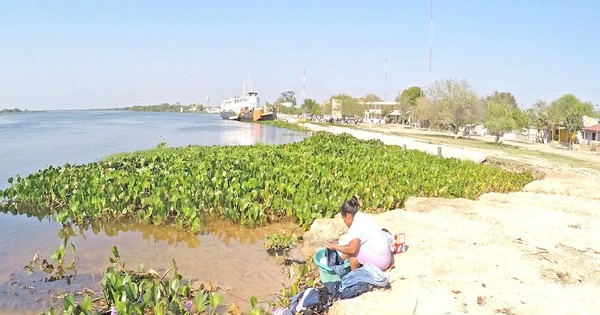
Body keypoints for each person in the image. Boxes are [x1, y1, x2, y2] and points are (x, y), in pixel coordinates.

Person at [327, 196, 392, 271]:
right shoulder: (360, 216)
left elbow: (352, 250)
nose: (344, 222)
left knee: (353, 252)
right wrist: (339, 261)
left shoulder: (356, 226)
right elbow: (350, 246)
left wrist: (335, 247)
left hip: (382, 261)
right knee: (352, 247)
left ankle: (355, 277)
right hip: (386, 256)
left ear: (348, 216)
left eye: (344, 219)